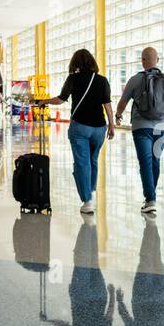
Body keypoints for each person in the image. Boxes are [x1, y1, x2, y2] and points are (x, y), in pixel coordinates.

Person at [42, 48, 114, 214]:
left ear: (75, 63)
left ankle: (87, 200)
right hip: (99, 128)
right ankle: (91, 191)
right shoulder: (102, 80)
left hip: (80, 127)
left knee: (82, 162)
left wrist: (42, 101)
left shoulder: (73, 78)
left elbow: (60, 99)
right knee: (93, 160)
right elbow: (107, 105)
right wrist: (111, 125)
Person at [115, 47, 164, 214]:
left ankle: (150, 199)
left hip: (141, 126)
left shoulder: (136, 79)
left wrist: (118, 115)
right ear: (157, 60)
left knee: (145, 162)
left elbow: (123, 102)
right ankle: (151, 196)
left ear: (142, 60)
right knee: (155, 161)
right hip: (161, 127)